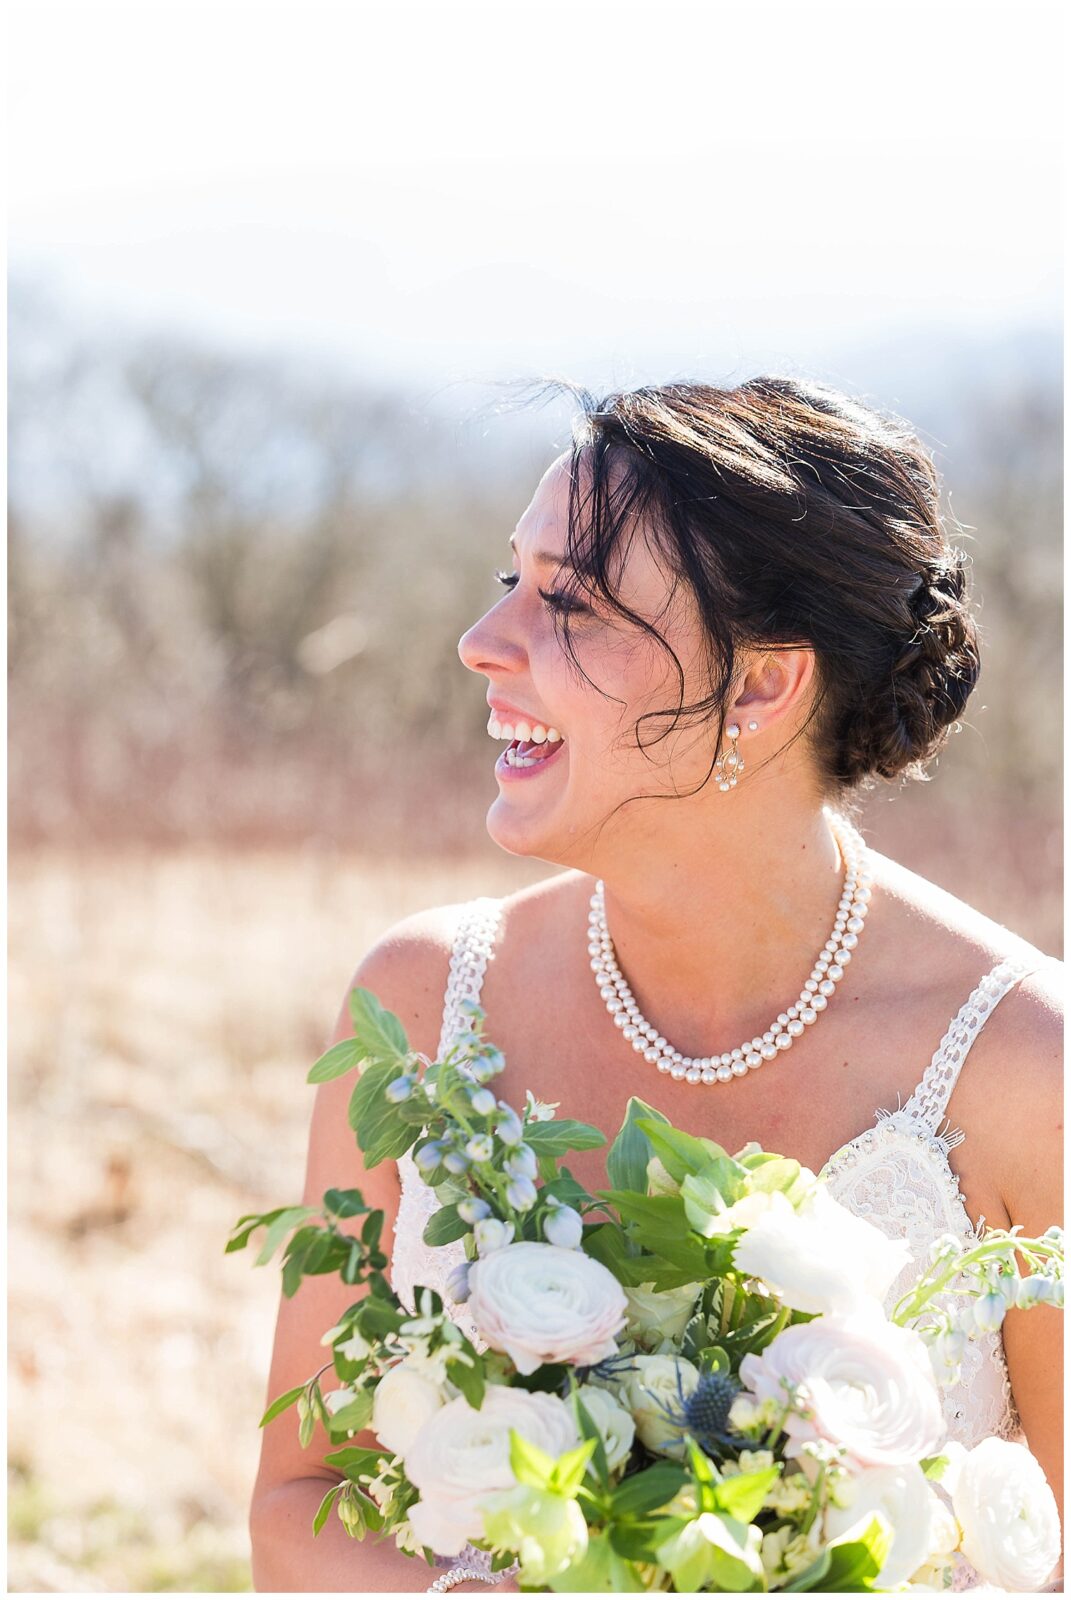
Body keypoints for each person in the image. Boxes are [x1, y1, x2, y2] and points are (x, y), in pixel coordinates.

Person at [249, 377, 1063, 1593]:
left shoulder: (1025, 1068)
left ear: (760, 687)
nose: (487, 642)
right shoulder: (422, 1008)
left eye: (569, 603)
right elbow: (299, 1502)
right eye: (507, 581)